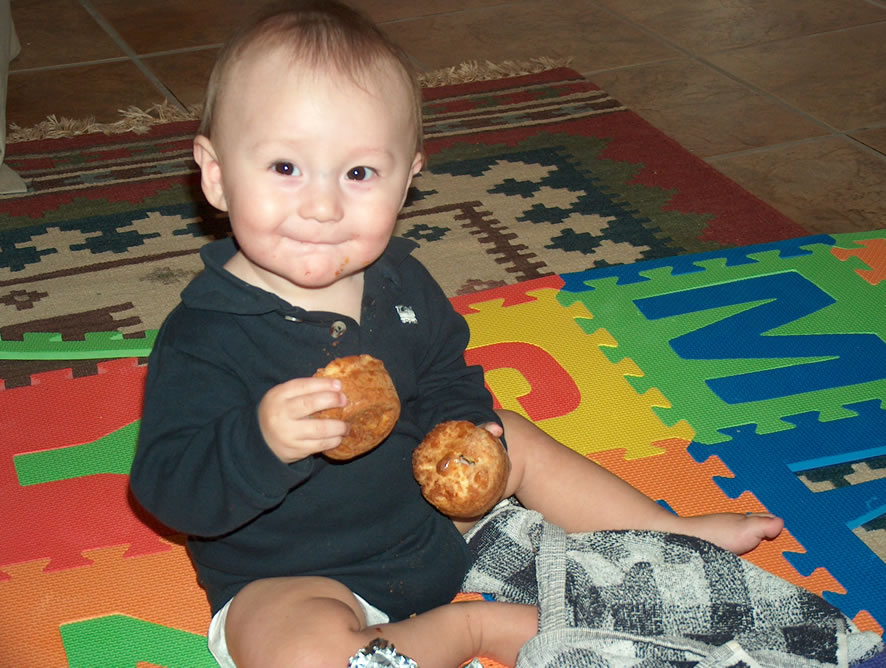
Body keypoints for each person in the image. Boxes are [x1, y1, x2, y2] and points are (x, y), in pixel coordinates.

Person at [129, 2, 784, 666]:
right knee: (301, 657)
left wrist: (467, 427)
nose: (322, 206)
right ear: (215, 174)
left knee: (511, 432)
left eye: (358, 174)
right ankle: (477, 631)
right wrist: (262, 442)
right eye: (285, 168)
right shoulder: (204, 334)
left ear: (408, 178)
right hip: (294, 575)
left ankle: (665, 532)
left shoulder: (403, 284)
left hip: (432, 522)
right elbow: (166, 491)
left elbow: (446, 375)